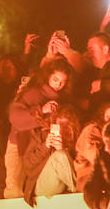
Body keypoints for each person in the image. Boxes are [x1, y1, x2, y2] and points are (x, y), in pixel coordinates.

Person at [7, 58, 74, 197]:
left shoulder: (61, 99)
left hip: (39, 148)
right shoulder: (34, 93)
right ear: (48, 76)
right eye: (55, 79)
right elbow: (14, 117)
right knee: (15, 190)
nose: (58, 85)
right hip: (18, 145)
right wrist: (41, 110)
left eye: (62, 82)